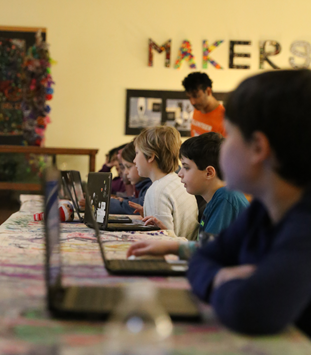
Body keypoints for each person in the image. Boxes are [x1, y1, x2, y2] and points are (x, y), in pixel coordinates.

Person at [187, 69, 311, 338]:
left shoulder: (304, 226)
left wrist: (217, 281)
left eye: (229, 136)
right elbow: (202, 259)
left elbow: (251, 309)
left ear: (258, 148)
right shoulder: (262, 210)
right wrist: (221, 278)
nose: (222, 149)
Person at [126, 132, 249, 260]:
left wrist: (170, 245)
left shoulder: (225, 199)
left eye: (186, 167)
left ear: (208, 173)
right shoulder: (216, 198)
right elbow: (201, 246)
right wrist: (168, 234)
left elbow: (208, 253)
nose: (180, 174)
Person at [134, 126, 198, 239]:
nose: (134, 160)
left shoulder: (157, 191)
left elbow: (161, 241)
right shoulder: (178, 181)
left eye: (137, 153)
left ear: (150, 156)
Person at [109, 142, 152, 215]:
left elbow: (137, 206)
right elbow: (135, 200)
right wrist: (122, 200)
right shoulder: (143, 185)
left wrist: (105, 203)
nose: (125, 172)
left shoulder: (151, 186)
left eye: (128, 167)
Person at [182, 71, 226, 137]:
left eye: (196, 96)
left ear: (208, 91)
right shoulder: (198, 108)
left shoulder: (225, 120)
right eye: (189, 97)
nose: (192, 102)